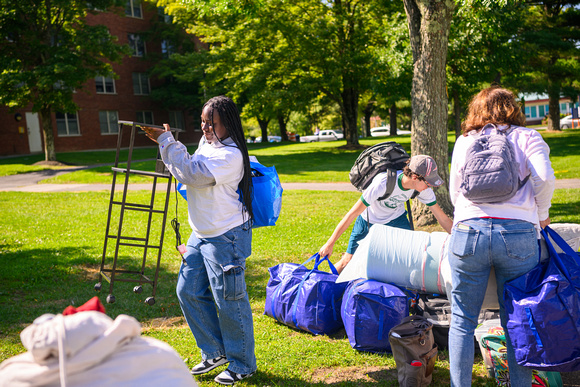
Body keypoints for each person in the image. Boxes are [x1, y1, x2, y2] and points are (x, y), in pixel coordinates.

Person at [141, 96, 257, 385]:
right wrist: (165, 142)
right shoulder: (209, 144)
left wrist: (168, 141)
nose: (204, 128)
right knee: (188, 290)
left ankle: (243, 364)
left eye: (211, 123)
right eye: (203, 122)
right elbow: (187, 164)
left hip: (226, 236)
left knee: (230, 301)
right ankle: (215, 352)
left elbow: (192, 174)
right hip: (201, 232)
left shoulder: (231, 156)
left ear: (227, 124)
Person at [447, 86, 555, 386]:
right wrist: (541, 212)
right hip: (518, 233)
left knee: (462, 321)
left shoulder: (465, 141)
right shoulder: (527, 137)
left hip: (469, 232)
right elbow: (544, 178)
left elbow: (456, 190)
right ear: (513, 107)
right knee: (518, 319)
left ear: (476, 109)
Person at [319, 155, 453, 274]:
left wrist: (459, 240)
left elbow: (442, 218)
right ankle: (320, 287)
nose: (430, 187)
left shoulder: (422, 189)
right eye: (428, 183)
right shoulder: (382, 183)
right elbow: (352, 213)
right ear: (414, 177)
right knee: (347, 261)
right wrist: (330, 243)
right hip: (369, 220)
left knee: (410, 258)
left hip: (396, 219)